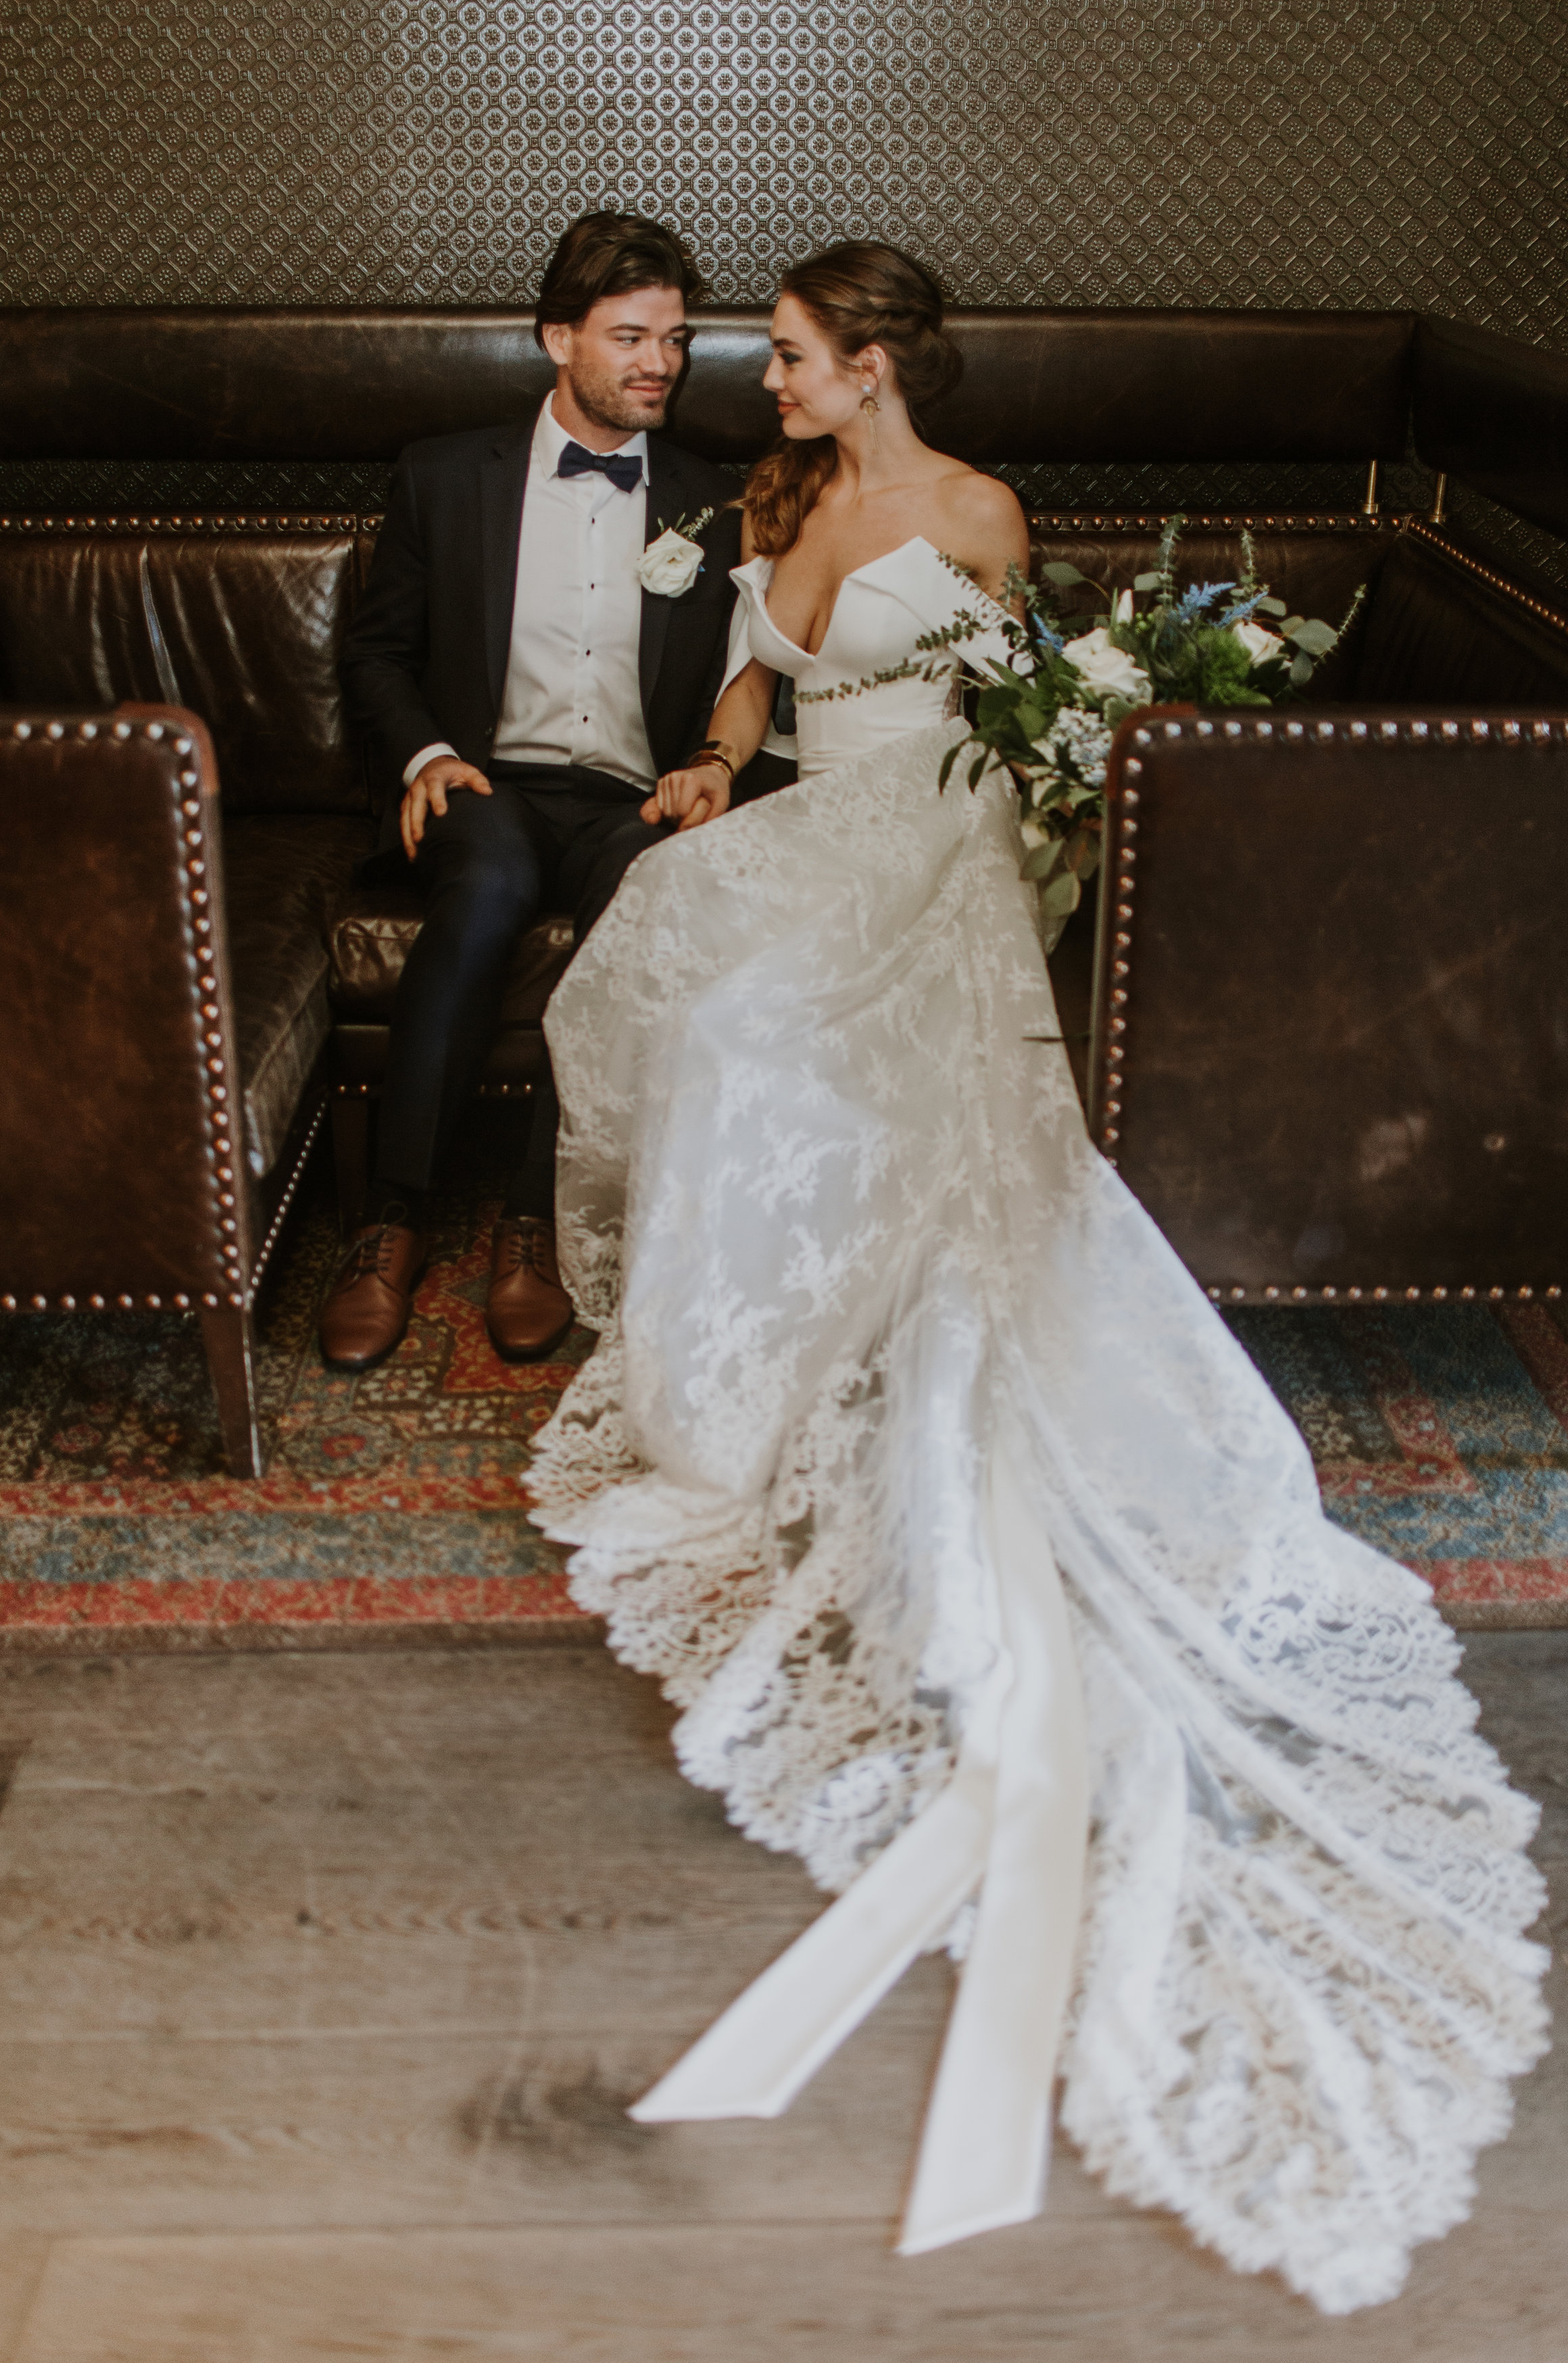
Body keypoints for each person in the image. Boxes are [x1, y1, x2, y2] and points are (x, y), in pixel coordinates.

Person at [524, 243, 1548, 2312]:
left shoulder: (979, 510)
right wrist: (725, 753)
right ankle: (757, 1313)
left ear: (872, 365)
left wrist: (1062, 786)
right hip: (816, 826)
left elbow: (1025, 703)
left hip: (959, 848)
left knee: (864, 1074)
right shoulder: (779, 509)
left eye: (795, 357)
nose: (767, 378)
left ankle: (917, 1332)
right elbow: (750, 678)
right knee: (696, 994)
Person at [322, 212, 748, 1371]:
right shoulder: (445, 477)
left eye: (675, 337)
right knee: (497, 869)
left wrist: (707, 766)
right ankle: (390, 1220)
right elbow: (375, 654)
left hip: (627, 801)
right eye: (629, 336)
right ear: (559, 337)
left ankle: (535, 1223)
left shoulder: (719, 499)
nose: (660, 362)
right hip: (484, 781)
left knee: (643, 899)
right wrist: (424, 757)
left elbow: (757, 674)